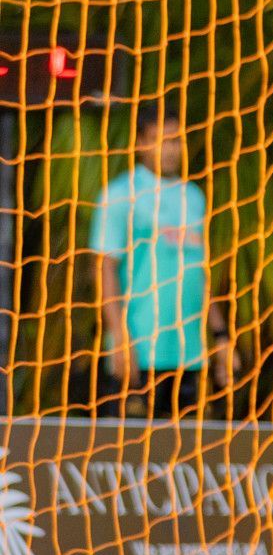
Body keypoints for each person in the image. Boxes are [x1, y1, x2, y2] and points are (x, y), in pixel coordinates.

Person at [91, 105, 239, 419]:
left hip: (189, 355)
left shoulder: (194, 197)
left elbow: (198, 274)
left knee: (184, 462)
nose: (169, 150)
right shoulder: (120, 194)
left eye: (175, 141)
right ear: (141, 144)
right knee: (130, 462)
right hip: (139, 353)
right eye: (159, 140)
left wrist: (222, 336)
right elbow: (105, 269)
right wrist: (118, 337)